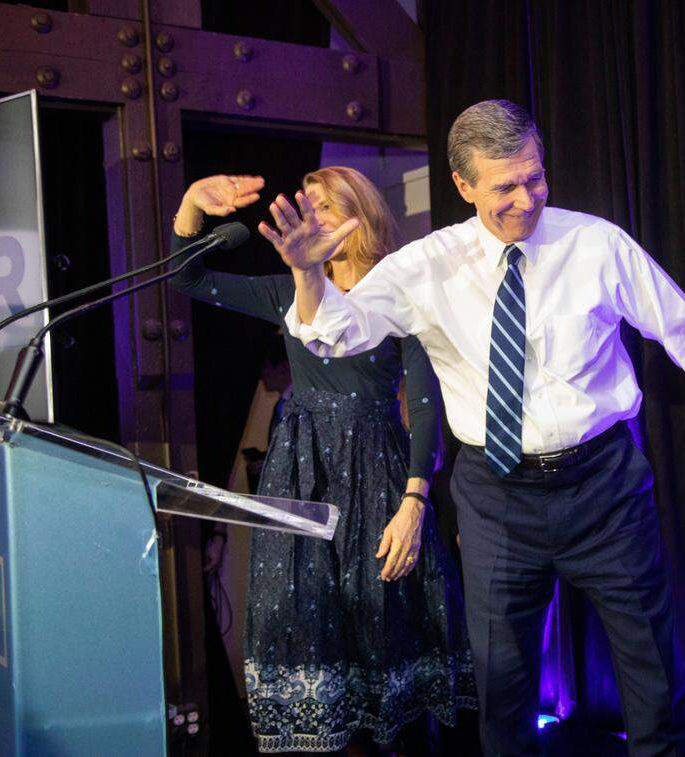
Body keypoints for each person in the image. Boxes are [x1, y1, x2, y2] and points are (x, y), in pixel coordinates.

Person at [259, 100, 685, 756]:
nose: (525, 198)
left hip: (605, 487)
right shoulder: (427, 265)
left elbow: (680, 327)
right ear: (463, 185)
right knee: (504, 697)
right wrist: (308, 274)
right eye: (504, 185)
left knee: (655, 683)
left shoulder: (594, 243)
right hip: (496, 494)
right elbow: (336, 334)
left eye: (535, 177)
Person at [169, 167, 477, 753]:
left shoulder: (399, 292)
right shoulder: (288, 290)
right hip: (300, 467)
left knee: (383, 626)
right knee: (304, 623)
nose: (309, 222)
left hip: (378, 472)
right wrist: (191, 205)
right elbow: (188, 280)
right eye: (304, 210)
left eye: (323, 210)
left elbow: (425, 406)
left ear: (359, 217)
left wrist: (414, 502)